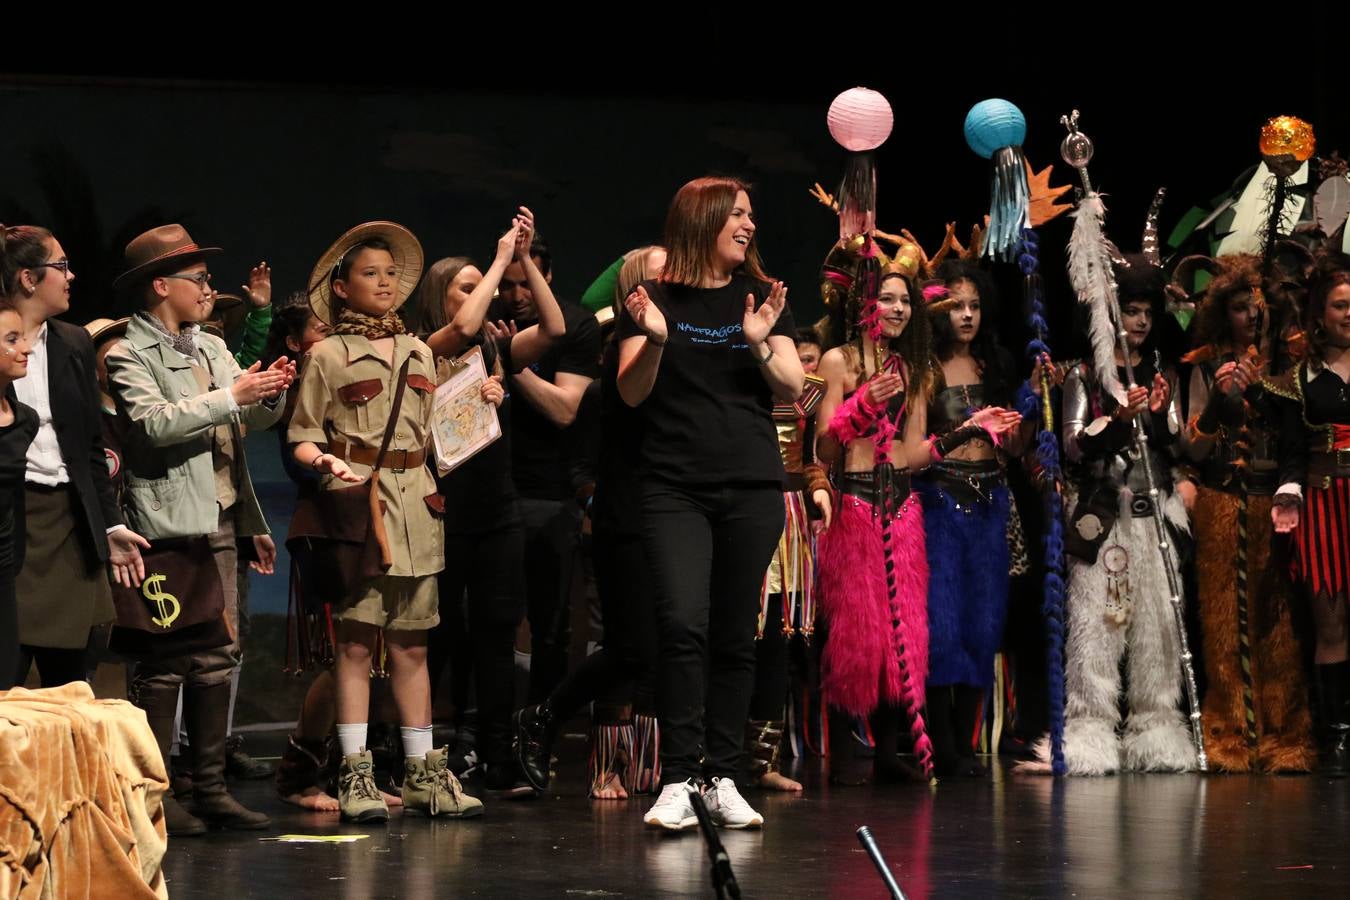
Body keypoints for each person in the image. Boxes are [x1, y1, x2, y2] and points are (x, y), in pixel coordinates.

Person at [617, 176, 803, 831]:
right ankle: (679, 778)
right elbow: (632, 392)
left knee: (733, 633)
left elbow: (795, 384)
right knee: (680, 625)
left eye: (752, 214)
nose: (749, 225)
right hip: (673, 487)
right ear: (703, 220)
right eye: (738, 215)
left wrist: (756, 340)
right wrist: (658, 338)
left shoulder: (763, 296)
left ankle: (723, 776)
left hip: (751, 484)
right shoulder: (653, 298)